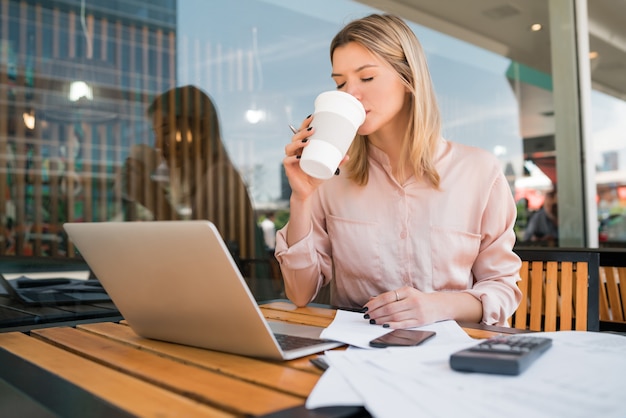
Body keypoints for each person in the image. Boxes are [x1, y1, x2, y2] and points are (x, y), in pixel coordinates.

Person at [276, 14, 522, 328]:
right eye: (340, 83)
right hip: (357, 357)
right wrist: (301, 198)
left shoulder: (479, 172)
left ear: (408, 79)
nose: (350, 93)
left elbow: (502, 288)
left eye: (366, 78)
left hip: (453, 356)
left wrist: (437, 306)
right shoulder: (332, 177)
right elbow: (299, 294)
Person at [122, 85, 258, 260]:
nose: (157, 145)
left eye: (165, 131)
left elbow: (202, 259)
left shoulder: (219, 178)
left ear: (199, 130)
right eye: (156, 133)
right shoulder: (205, 181)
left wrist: (156, 202)